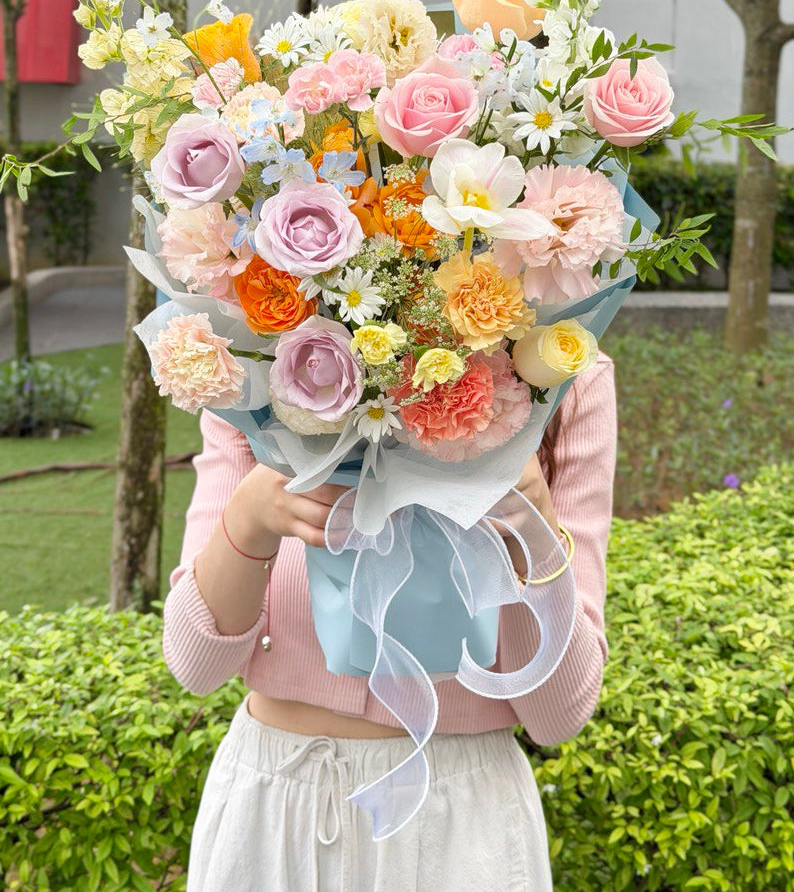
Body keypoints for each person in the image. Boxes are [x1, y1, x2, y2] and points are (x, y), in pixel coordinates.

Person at [163, 352, 617, 892]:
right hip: (273, 807)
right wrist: (250, 519)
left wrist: (530, 538)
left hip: (458, 824)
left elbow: (559, 715)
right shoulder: (273, 359)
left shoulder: (563, 368)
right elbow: (196, 664)